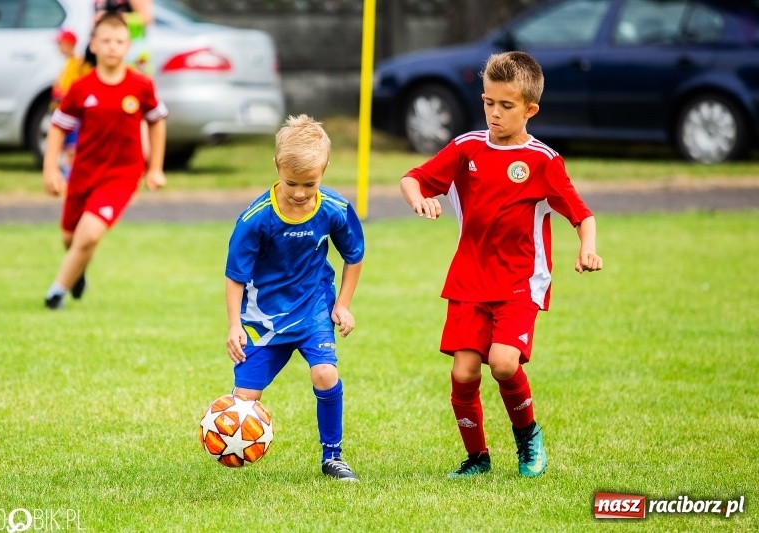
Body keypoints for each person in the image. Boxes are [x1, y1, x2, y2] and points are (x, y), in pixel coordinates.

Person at [400, 51, 603, 479]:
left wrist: (587, 248)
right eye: (489, 102)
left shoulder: (543, 161)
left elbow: (582, 215)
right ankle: (477, 459)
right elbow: (412, 177)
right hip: (469, 280)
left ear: (530, 109)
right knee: (463, 373)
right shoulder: (465, 148)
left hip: (519, 281)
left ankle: (528, 437)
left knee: (504, 363)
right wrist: (419, 197)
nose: (494, 112)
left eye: (506, 106)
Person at [224, 115, 365, 481]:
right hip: (264, 318)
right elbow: (235, 276)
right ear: (276, 167)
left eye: (310, 183)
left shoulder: (334, 209)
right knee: (242, 403)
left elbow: (354, 255)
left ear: (324, 169)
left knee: (324, 372)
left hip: (314, 308)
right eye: (291, 183)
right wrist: (234, 325)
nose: (300, 193)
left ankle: (332, 456)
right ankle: (229, 442)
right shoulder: (256, 219)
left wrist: (342, 304)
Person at [42, 12, 168, 310]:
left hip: (122, 174)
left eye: (119, 41)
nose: (113, 46)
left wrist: (156, 168)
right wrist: (51, 170)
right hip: (83, 171)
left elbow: (157, 121)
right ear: (94, 45)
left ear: (128, 46)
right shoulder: (81, 88)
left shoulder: (141, 86)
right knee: (70, 237)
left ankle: (56, 292)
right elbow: (59, 127)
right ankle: (78, 271)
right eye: (106, 41)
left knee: (90, 233)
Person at [50, 29, 87, 177]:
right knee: (65, 146)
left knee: (72, 146)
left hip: (74, 113)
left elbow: (78, 87)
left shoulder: (78, 64)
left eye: (60, 44)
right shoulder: (67, 63)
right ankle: (67, 174)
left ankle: (73, 175)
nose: (58, 47)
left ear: (70, 44)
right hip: (63, 111)